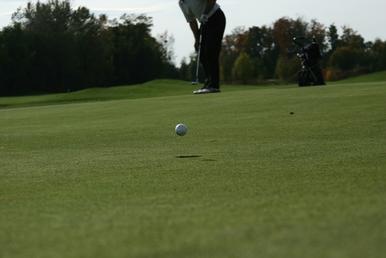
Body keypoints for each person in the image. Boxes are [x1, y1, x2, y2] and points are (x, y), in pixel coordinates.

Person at [179, 0, 226, 94]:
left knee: (210, 50)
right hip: (205, 23)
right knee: (201, 51)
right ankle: (209, 83)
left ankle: (214, 85)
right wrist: (196, 39)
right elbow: (192, 21)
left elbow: (211, 1)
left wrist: (205, 13)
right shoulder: (181, 3)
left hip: (216, 17)